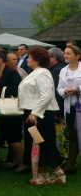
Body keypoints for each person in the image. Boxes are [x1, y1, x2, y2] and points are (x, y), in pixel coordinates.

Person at [18, 46, 65, 184]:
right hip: (34, 111)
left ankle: (53, 172)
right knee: (39, 142)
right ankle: (46, 173)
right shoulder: (36, 72)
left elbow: (47, 95)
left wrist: (35, 113)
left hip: (41, 113)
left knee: (43, 142)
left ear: (37, 59)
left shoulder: (42, 73)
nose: (27, 60)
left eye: (30, 57)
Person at [0, 49, 24, 172]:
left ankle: (23, 162)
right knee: (8, 136)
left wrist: (1, 89)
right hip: (0, 108)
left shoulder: (11, 72)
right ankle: (16, 161)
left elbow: (17, 88)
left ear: (0, 59)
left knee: (14, 137)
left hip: (11, 108)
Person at [58, 45, 81, 174]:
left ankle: (71, 162)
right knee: (72, 134)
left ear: (77, 56)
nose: (65, 56)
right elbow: (59, 87)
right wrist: (64, 91)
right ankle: (71, 163)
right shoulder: (63, 70)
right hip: (70, 106)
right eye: (65, 53)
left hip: (80, 104)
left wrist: (78, 90)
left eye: (68, 53)